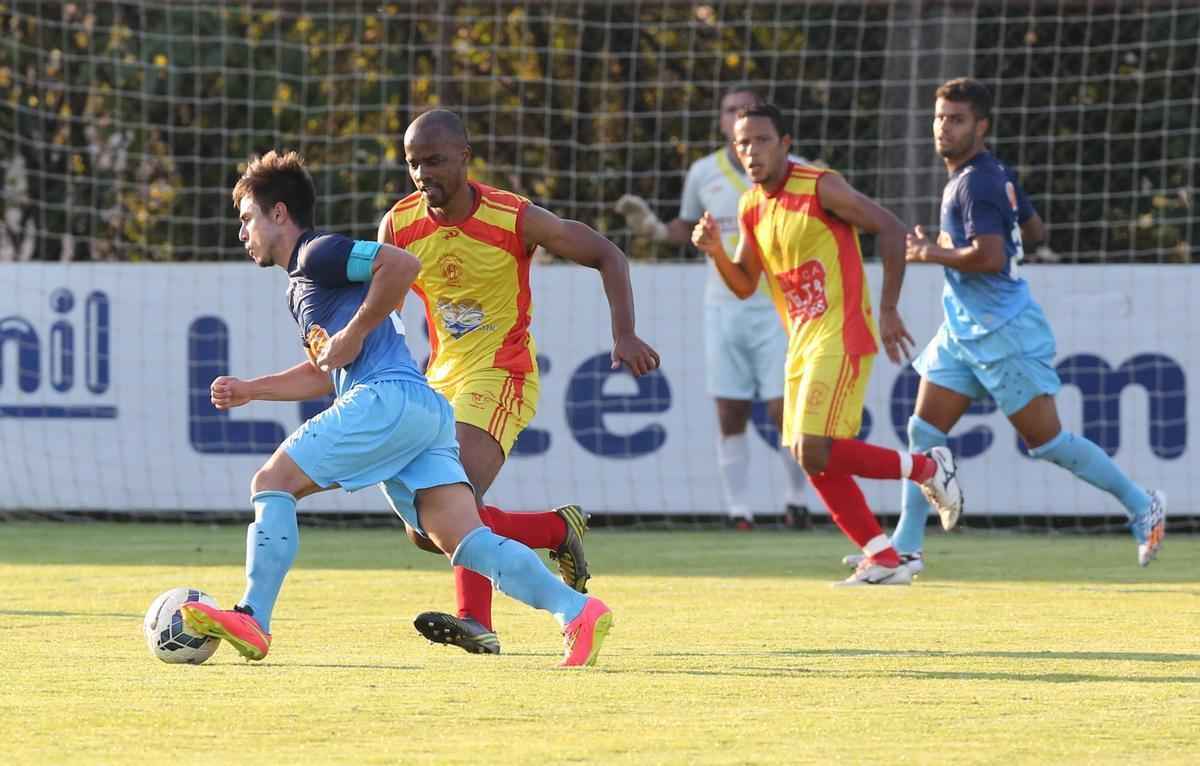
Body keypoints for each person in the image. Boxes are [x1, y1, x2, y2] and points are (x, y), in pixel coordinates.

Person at [179, 150, 613, 667]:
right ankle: (577, 611)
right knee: (466, 541)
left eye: (247, 218)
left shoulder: (318, 252)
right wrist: (253, 389)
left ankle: (254, 616)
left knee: (271, 484)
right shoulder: (303, 285)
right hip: (421, 411)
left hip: (385, 399)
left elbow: (402, 264)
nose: (242, 232)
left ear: (279, 214)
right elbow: (325, 371)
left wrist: (353, 331)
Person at [854, 77, 1166, 571]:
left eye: (956, 119)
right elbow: (1036, 229)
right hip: (964, 331)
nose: (943, 127)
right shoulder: (987, 174)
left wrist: (932, 251)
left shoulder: (976, 181)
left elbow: (992, 258)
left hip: (1004, 332)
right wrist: (973, 229)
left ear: (982, 125)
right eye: (939, 117)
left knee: (1047, 443)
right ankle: (905, 549)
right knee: (923, 431)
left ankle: (1140, 502)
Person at [379, 109, 661, 652]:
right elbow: (381, 307)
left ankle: (476, 622)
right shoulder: (399, 225)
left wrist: (624, 334)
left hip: (502, 373)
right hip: (440, 379)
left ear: (465, 156)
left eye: (434, 161)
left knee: (455, 490)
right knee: (423, 529)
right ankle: (556, 531)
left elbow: (606, 253)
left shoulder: (513, 218)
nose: (422, 175)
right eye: (413, 164)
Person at [692, 103, 964, 586]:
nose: (750, 151)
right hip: (799, 341)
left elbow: (891, 227)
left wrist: (887, 307)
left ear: (785, 143)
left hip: (841, 333)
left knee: (812, 449)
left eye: (760, 140)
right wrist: (715, 251)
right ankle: (881, 555)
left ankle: (927, 467)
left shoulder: (820, 186)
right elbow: (744, 283)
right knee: (808, 453)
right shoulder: (751, 206)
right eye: (742, 143)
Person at [615, 86, 812, 530]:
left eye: (746, 111)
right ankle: (738, 510)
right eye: (730, 112)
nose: (738, 119)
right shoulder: (705, 171)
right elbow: (687, 227)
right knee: (730, 410)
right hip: (723, 307)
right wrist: (654, 229)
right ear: (723, 122)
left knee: (785, 409)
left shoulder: (797, 173)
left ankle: (796, 501)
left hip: (779, 309)